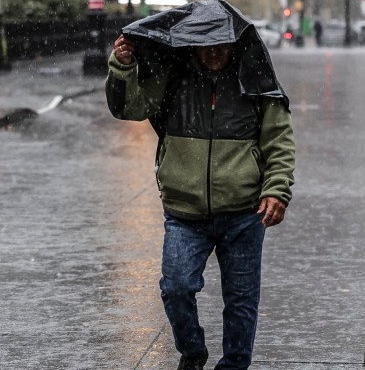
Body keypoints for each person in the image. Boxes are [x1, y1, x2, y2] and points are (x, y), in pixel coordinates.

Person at [106, 22, 296, 370]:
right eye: (204, 45)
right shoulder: (173, 77)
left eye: (221, 45)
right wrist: (122, 66)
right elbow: (129, 107)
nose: (213, 53)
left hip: (243, 212)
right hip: (184, 211)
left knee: (241, 300)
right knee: (176, 287)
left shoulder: (255, 81)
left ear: (234, 45)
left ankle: (234, 365)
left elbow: (279, 141)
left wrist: (276, 189)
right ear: (191, 45)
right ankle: (192, 351)